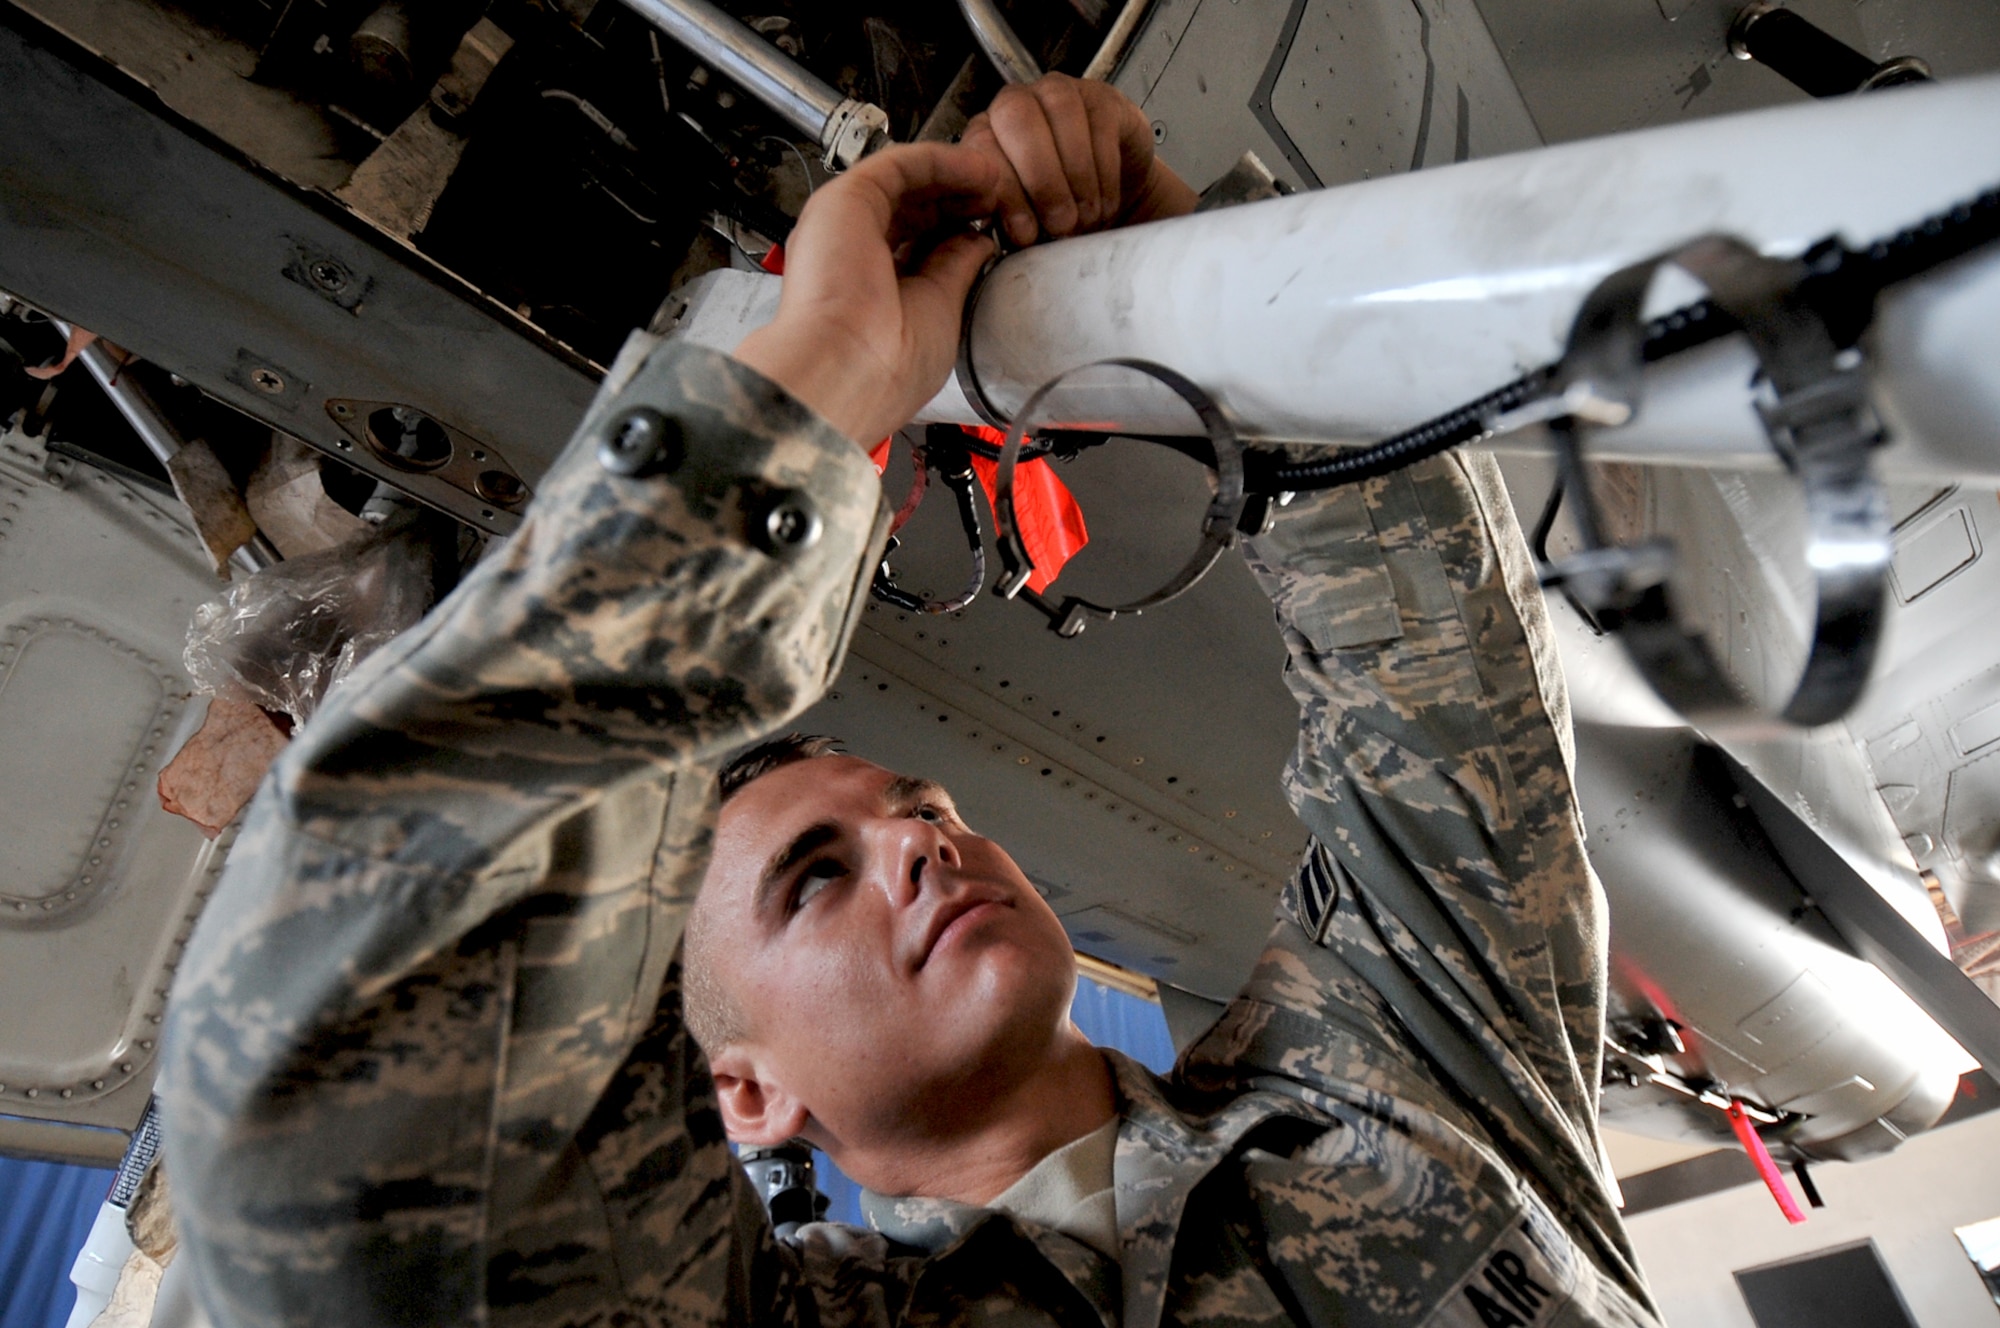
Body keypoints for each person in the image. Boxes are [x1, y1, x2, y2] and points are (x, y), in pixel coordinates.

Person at [161, 73, 1660, 1328]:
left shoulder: (1394, 1082)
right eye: (815, 883)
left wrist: (1181, 295)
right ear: (745, 1099)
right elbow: (325, 1119)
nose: (920, 845)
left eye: (918, 808)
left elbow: (1441, 673)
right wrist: (816, 381)